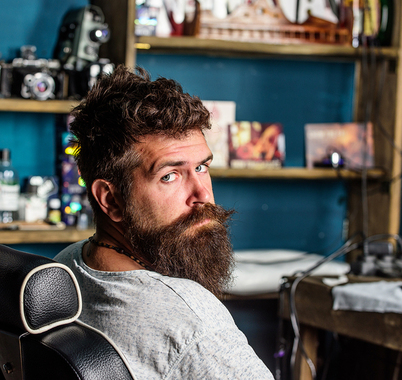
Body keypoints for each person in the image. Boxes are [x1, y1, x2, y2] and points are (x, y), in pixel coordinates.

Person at [55, 66, 274, 379]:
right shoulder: (193, 321)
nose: (203, 196)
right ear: (110, 199)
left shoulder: (67, 265)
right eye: (169, 175)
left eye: (201, 167)